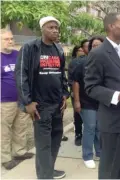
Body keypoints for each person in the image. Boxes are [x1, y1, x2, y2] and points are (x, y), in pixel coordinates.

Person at [84, 13, 120, 179]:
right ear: (111, 27)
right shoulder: (98, 53)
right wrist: (117, 96)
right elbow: (91, 87)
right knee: (110, 168)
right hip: (112, 120)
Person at [15, 16, 69, 179]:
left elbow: (61, 74)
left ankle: (48, 169)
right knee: (43, 143)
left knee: (55, 139)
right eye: (51, 27)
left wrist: (65, 95)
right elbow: (21, 75)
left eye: (56, 28)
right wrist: (28, 102)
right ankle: (45, 176)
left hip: (57, 104)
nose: (55, 30)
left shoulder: (58, 49)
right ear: (42, 29)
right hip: (40, 105)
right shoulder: (29, 48)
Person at [1, 29, 34, 170]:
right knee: (4, 130)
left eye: (11, 38)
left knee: (21, 127)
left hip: (21, 99)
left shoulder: (18, 55)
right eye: (6, 39)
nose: (10, 41)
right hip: (4, 101)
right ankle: (5, 158)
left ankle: (19, 151)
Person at [72, 36, 104, 169]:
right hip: (86, 101)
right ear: (90, 48)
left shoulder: (106, 62)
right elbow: (76, 83)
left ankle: (100, 152)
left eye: (99, 45)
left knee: (98, 128)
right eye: (94, 45)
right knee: (90, 127)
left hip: (101, 102)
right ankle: (87, 155)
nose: (96, 47)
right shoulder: (82, 63)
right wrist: (77, 101)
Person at [68, 40, 89, 146]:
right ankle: (78, 134)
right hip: (77, 93)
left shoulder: (94, 60)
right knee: (78, 115)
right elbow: (71, 79)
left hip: (90, 94)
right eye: (82, 48)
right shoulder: (74, 63)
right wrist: (73, 91)